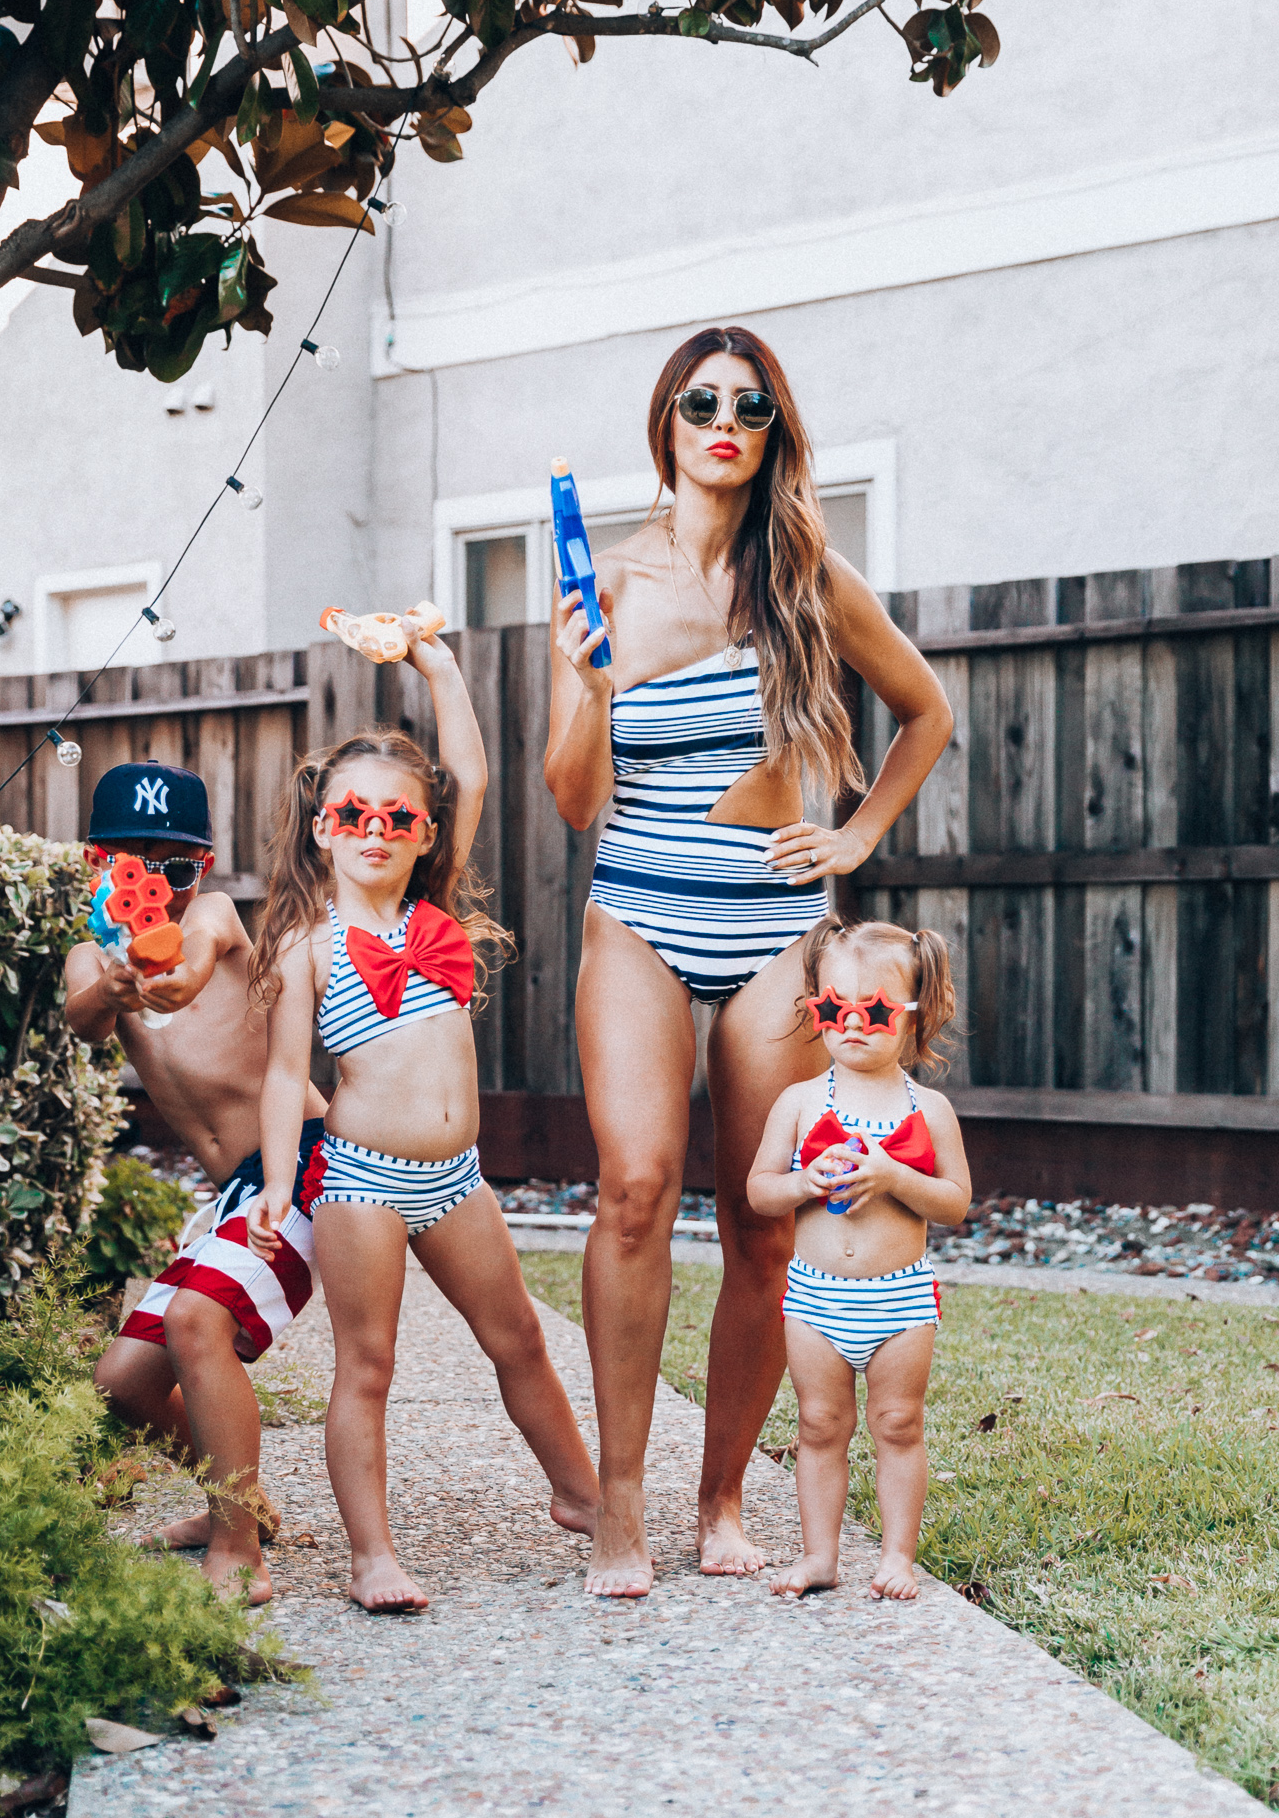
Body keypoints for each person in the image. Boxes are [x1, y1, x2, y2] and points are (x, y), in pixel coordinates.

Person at [546, 325, 954, 1598]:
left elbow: (924, 711)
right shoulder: (603, 582)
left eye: (751, 405)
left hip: (775, 921)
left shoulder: (805, 576)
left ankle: (719, 1495)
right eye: (701, 400)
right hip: (640, 916)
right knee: (633, 1186)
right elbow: (574, 802)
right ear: (664, 420)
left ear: (772, 429)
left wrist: (855, 831)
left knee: (765, 1224)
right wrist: (585, 685)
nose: (724, 419)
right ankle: (619, 1501)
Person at [247, 629, 598, 1613]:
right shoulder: (308, 947)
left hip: (456, 1178)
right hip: (360, 1177)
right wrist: (281, 1182)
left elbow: (471, 772)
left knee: (519, 1335)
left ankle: (582, 1496)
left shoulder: (431, 914)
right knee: (368, 1363)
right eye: (351, 814)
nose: (375, 829)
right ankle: (371, 1554)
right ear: (321, 828)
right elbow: (284, 1078)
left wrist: (436, 664)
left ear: (425, 832)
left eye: (397, 816)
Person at [68, 760, 328, 1606]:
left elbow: (187, 969)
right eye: (131, 865)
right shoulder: (90, 957)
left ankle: (238, 1543)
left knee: (194, 1320)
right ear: (94, 863)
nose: (157, 882)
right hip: (231, 1194)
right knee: (123, 1383)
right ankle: (239, 1498)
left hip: (303, 1163)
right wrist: (113, 981)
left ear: (203, 867)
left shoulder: (214, 918)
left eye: (174, 867)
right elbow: (81, 1022)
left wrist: (160, 973)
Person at [747, 915, 970, 1601]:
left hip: (898, 1298)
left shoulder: (928, 1110)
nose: (850, 1024)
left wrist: (896, 1177)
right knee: (818, 1424)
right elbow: (759, 1191)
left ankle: (897, 1558)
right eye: (832, 1007)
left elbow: (955, 1201)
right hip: (815, 1296)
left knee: (898, 1423)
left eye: (871, 1011)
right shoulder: (800, 1102)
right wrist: (803, 1183)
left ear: (912, 1014)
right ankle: (820, 1556)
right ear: (815, 1006)